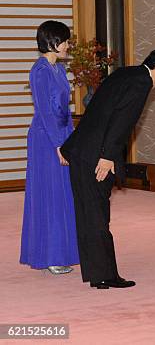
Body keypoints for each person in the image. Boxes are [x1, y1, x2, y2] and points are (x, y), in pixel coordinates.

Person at [60, 48, 155, 289]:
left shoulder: (123, 73)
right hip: (97, 156)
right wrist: (107, 157)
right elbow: (121, 123)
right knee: (97, 214)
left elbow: (96, 111)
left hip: (81, 150)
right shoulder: (141, 83)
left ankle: (97, 274)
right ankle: (105, 275)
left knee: (86, 213)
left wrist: (69, 147)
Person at [20, 20, 79, 275]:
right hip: (46, 138)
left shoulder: (58, 69)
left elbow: (64, 109)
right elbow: (45, 111)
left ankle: (62, 251)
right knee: (50, 194)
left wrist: (72, 137)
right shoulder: (40, 70)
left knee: (64, 192)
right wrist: (58, 144)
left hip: (62, 133)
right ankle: (50, 255)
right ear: (53, 42)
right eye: (65, 41)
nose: (68, 45)